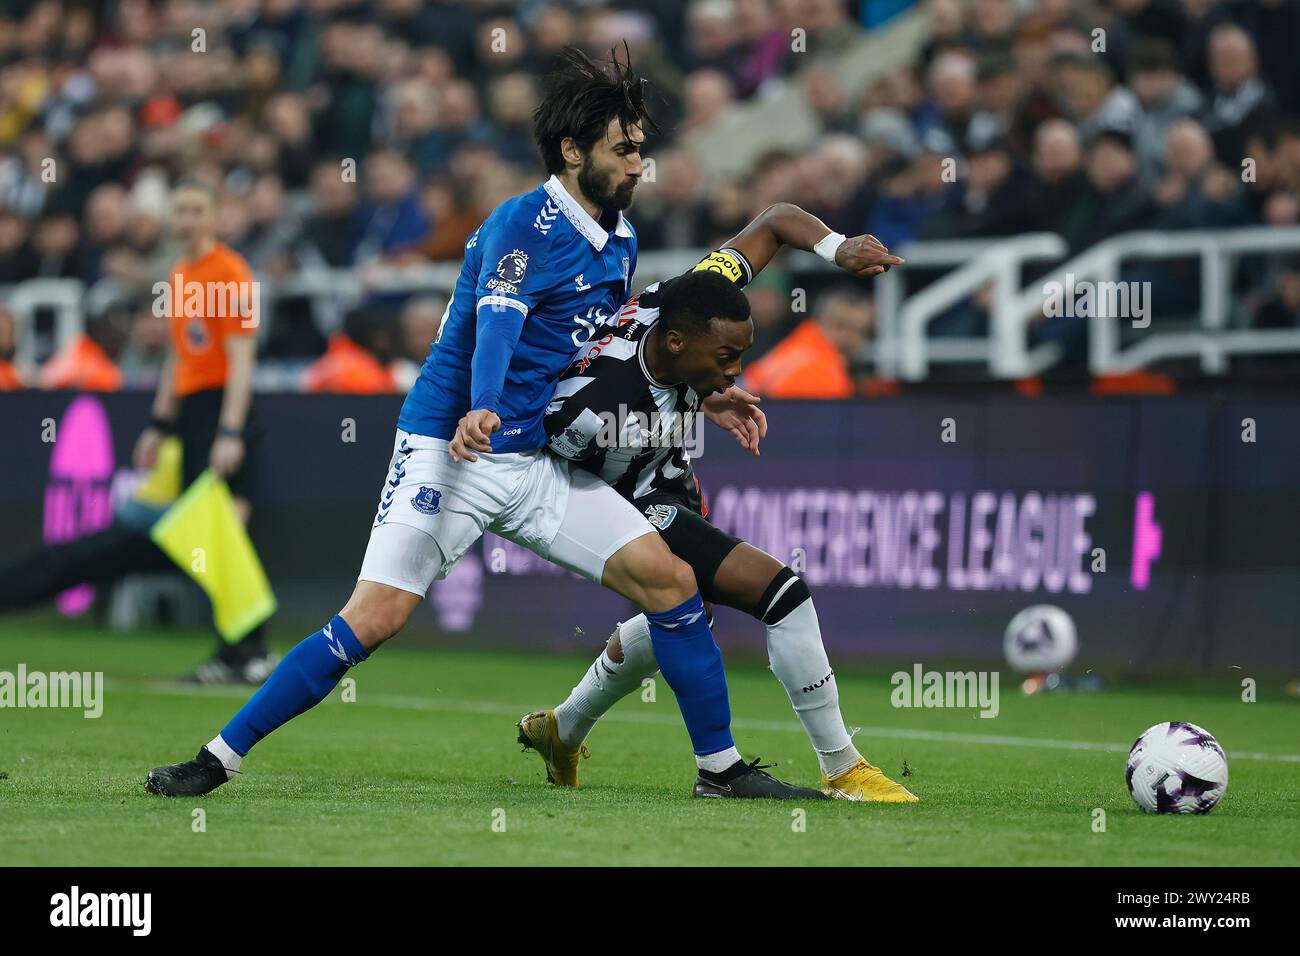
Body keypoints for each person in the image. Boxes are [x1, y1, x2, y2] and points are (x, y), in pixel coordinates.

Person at [144, 47, 898, 801]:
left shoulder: (619, 237)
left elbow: (598, 347)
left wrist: (702, 394)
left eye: (641, 150)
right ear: (573, 151)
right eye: (623, 149)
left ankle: (720, 771)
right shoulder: (523, 223)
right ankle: (217, 760)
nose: (639, 165)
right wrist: (484, 403)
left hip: (531, 458)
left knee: (669, 582)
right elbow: (496, 321)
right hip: (451, 447)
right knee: (372, 619)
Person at [521, 203, 914, 802]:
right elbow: (554, 475)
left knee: (683, 616)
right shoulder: (591, 409)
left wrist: (838, 249)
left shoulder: (694, 297)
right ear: (675, 343)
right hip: (625, 501)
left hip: (666, 479)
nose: (736, 372)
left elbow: (779, 220)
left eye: (740, 356)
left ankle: (562, 729)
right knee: (783, 594)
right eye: (725, 360)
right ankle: (842, 767)